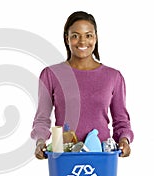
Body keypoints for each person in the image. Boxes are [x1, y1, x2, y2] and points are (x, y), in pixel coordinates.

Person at [31, 11, 134, 159]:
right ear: (67, 39)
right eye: (75, 35)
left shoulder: (113, 77)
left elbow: (121, 121)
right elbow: (42, 119)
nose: (82, 41)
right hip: (64, 156)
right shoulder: (51, 75)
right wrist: (40, 142)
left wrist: (124, 140)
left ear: (96, 38)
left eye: (88, 35)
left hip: (102, 156)